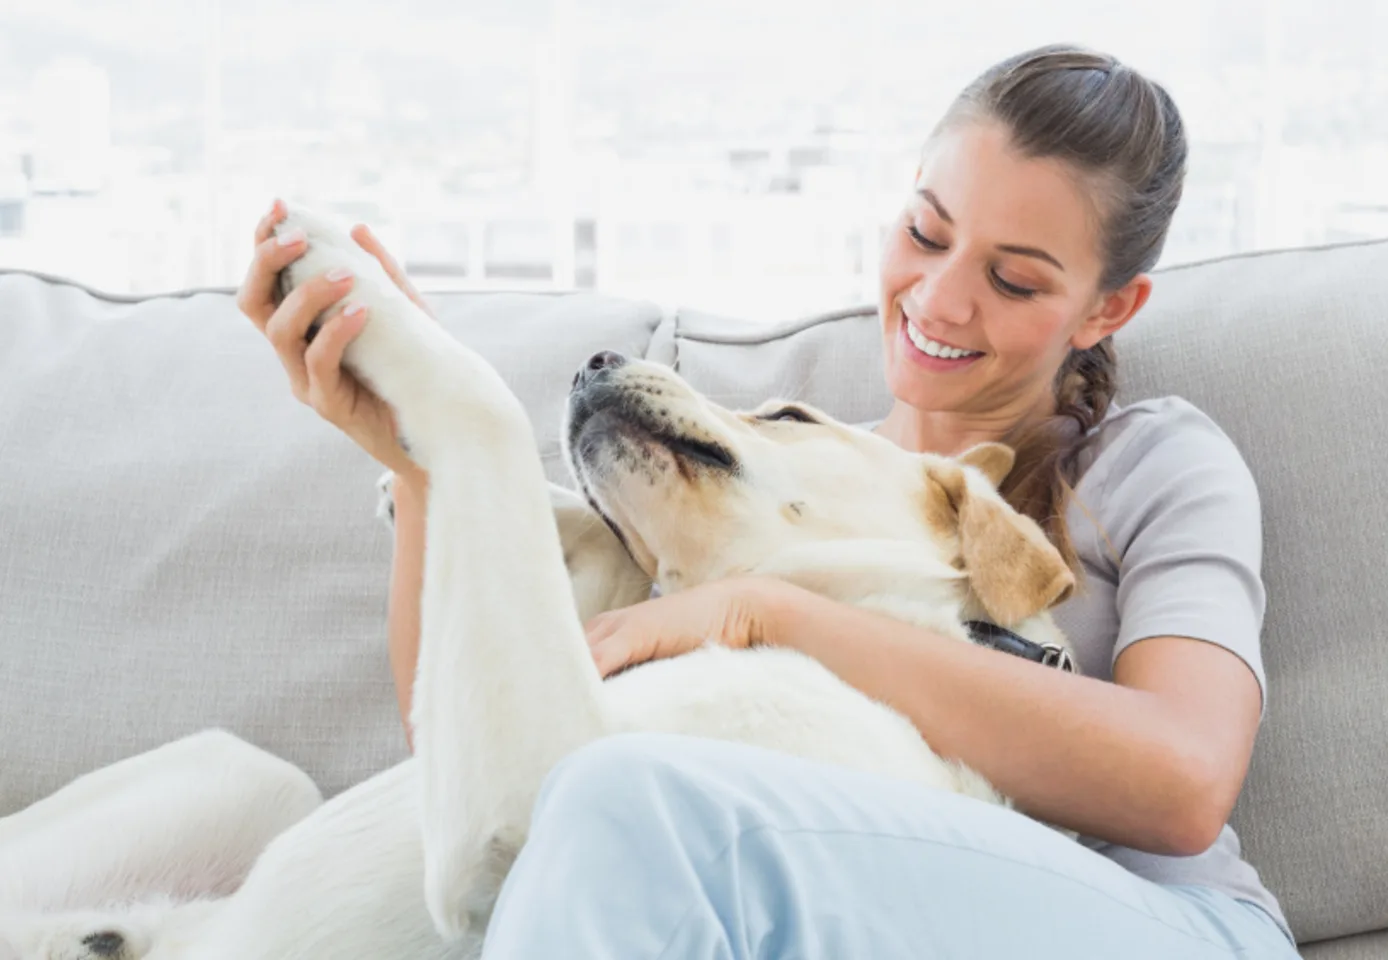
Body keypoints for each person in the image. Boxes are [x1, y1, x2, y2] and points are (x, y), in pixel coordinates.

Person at [238, 43, 1301, 960]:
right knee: (595, 809)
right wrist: (425, 467)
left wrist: (773, 615)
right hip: (848, 903)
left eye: (1014, 280)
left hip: (1163, 929)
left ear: (1109, 307)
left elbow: (1182, 779)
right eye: (926, 234)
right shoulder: (781, 494)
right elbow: (487, 778)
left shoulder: (1154, 460)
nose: (938, 299)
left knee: (626, 800)